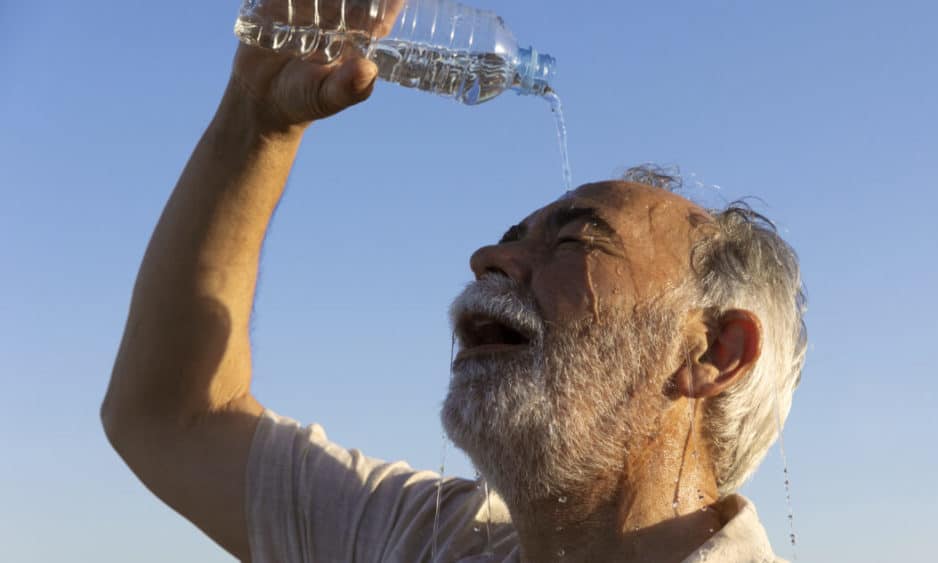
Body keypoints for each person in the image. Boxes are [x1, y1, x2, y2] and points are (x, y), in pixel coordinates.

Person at [101, 36, 807, 563]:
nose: (489, 258)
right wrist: (255, 120)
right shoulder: (431, 539)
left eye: (577, 241)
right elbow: (173, 414)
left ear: (715, 352)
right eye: (509, 236)